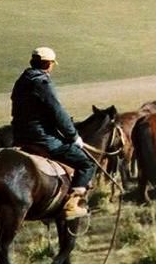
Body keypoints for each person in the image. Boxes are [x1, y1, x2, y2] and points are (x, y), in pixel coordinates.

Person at [10, 46, 97, 219]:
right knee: (86, 164)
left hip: (20, 135)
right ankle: (72, 205)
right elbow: (57, 111)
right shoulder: (42, 83)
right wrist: (73, 136)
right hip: (42, 138)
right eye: (51, 64)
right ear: (48, 64)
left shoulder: (21, 81)